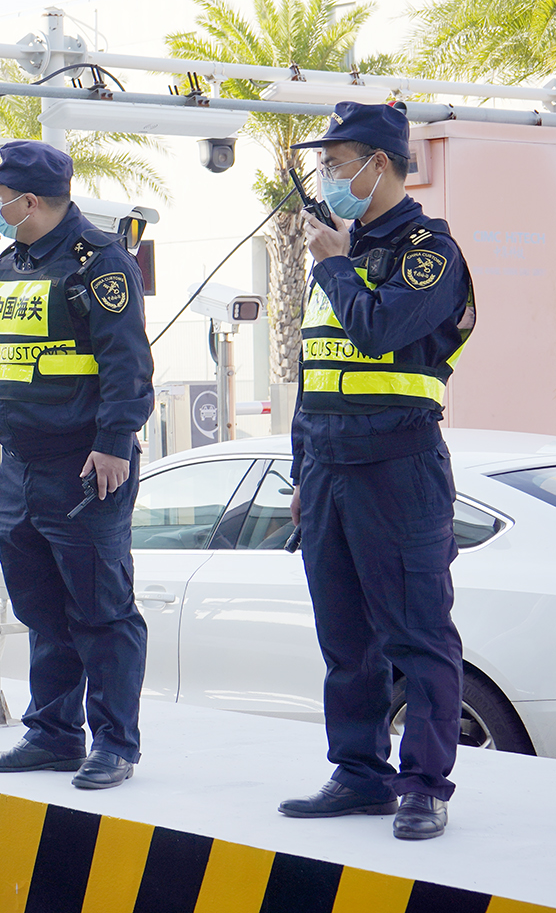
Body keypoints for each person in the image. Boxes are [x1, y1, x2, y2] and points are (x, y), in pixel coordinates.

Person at [277, 101, 473, 840]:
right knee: (345, 640)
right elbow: (316, 377)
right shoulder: (339, 253)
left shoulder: (429, 252)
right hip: (328, 471)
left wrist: (332, 264)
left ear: (378, 164)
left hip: (399, 467)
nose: (326, 178)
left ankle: (422, 786)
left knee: (418, 638)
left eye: (335, 164)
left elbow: (381, 331)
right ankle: (359, 774)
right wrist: (302, 473)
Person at [0, 140, 154, 790]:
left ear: (30, 201)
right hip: (19, 467)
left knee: (101, 611)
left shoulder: (102, 263)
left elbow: (127, 364)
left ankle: (115, 744)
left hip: (82, 467)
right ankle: (54, 734)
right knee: (41, 607)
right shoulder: (6, 268)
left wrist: (115, 441)